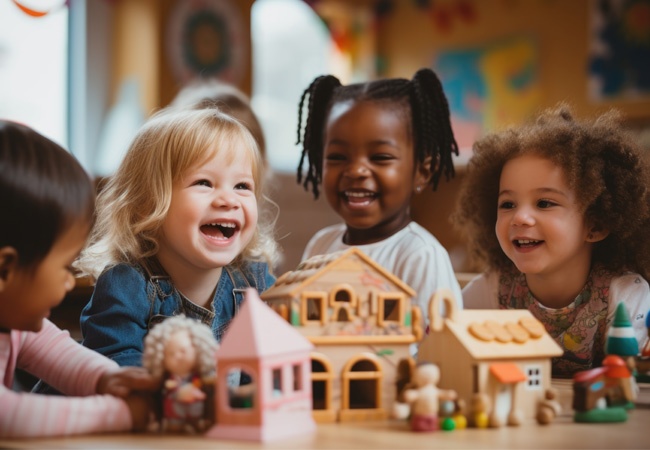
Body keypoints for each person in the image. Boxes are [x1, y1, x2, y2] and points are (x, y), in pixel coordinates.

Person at [454, 103, 650, 378]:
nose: (520, 217)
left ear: (596, 225)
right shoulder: (491, 290)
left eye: (544, 203)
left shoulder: (625, 295)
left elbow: (629, 382)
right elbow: (447, 343)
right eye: (507, 204)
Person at [77, 107, 279, 367]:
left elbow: (286, 346)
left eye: (242, 186)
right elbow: (118, 368)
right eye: (204, 182)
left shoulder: (256, 280)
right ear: (147, 203)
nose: (229, 200)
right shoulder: (127, 285)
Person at [0, 120, 158, 437]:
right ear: (5, 269)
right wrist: (121, 414)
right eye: (64, 266)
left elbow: (56, 350)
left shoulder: (14, 324)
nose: (70, 281)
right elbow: (9, 416)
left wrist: (107, 378)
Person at [295, 68, 463, 318]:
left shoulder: (419, 255)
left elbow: (440, 344)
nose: (356, 170)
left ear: (422, 171)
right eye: (338, 157)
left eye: (380, 157)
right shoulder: (320, 245)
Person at [142, 315, 218, 433]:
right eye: (171, 354)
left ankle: (196, 423)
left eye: (183, 351)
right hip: (173, 416)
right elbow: (165, 390)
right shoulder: (168, 380)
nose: (178, 356)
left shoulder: (199, 379)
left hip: (197, 413)